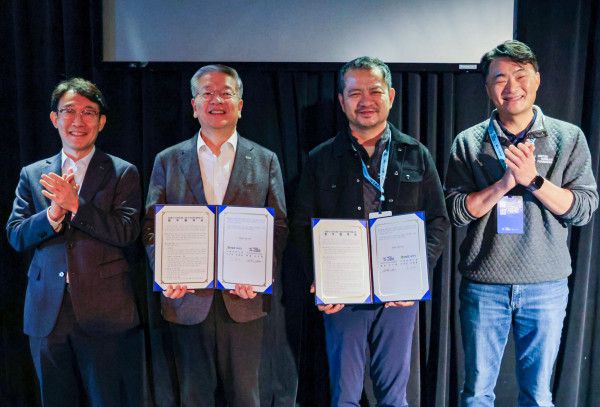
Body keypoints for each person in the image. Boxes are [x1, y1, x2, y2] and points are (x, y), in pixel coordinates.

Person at [445, 40, 599, 406]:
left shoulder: (567, 137)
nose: (511, 86)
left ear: (537, 79)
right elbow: (456, 211)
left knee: (538, 395)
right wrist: (503, 185)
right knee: (477, 393)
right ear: (487, 88)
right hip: (484, 285)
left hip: (546, 284)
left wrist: (533, 180)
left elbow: (584, 209)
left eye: (520, 75)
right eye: (499, 78)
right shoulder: (469, 142)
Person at [291, 56, 449, 406]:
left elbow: (438, 221)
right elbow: (301, 225)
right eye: (355, 93)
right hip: (342, 293)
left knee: (394, 397)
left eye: (375, 91)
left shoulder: (416, 154)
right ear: (341, 101)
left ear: (390, 96)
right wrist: (319, 279)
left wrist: (417, 276)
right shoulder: (321, 158)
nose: (366, 101)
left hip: (399, 293)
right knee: (344, 396)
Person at [143, 64, 288, 406]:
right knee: (193, 397)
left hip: (245, 300)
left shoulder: (265, 160)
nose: (216, 100)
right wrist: (165, 273)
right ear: (194, 106)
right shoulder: (167, 160)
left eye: (226, 93)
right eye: (207, 93)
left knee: (246, 397)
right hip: (187, 300)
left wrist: (261, 274)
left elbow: (279, 227)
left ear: (241, 105)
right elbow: (151, 226)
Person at [6, 78, 142, 406]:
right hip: (46, 311)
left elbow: (127, 232)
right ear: (55, 118)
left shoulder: (123, 172)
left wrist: (76, 205)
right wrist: (53, 214)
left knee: (107, 399)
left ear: (101, 121)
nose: (78, 121)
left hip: (104, 311)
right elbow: (16, 235)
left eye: (88, 112)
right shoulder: (33, 173)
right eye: (69, 111)